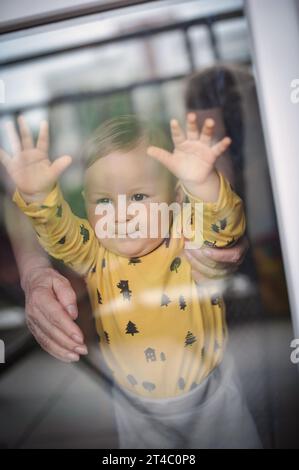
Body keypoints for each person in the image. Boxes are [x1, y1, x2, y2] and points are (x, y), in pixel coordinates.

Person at [0, 113, 261, 448]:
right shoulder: (93, 252)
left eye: (138, 196)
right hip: (137, 410)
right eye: (104, 201)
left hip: (214, 399)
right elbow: (58, 230)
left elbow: (223, 226)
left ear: (175, 199)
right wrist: (39, 198)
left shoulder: (184, 236)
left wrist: (204, 186)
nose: (120, 213)